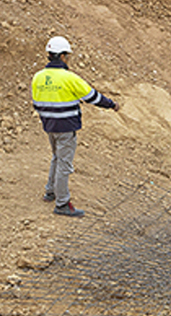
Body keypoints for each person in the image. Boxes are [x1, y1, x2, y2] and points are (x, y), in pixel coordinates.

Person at [31, 36, 120, 217]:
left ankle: (50, 192)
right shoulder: (69, 77)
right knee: (64, 163)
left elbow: (37, 103)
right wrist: (112, 104)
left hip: (49, 126)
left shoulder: (38, 77)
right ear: (63, 56)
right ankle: (62, 203)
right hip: (66, 126)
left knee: (56, 157)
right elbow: (93, 97)